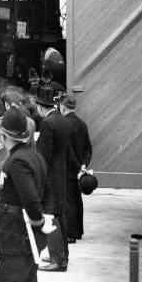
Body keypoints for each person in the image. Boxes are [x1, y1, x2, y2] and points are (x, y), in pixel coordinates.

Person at [0, 106, 55, 282]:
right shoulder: (36, 157)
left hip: (14, 237)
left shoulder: (16, 161)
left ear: (5, 136)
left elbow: (30, 199)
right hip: (30, 240)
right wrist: (43, 222)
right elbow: (47, 193)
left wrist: (37, 219)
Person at [35, 86, 72, 272]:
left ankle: (57, 260)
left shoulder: (48, 123)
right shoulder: (63, 120)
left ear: (41, 107)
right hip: (61, 174)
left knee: (52, 216)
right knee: (60, 214)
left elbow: (43, 155)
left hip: (50, 176)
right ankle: (63, 255)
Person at [59, 94, 92, 243]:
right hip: (79, 169)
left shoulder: (63, 124)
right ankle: (78, 231)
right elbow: (88, 148)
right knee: (77, 200)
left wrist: (78, 166)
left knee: (68, 202)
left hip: (68, 168)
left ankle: (70, 233)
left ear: (63, 106)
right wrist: (84, 165)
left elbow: (67, 149)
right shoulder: (82, 124)